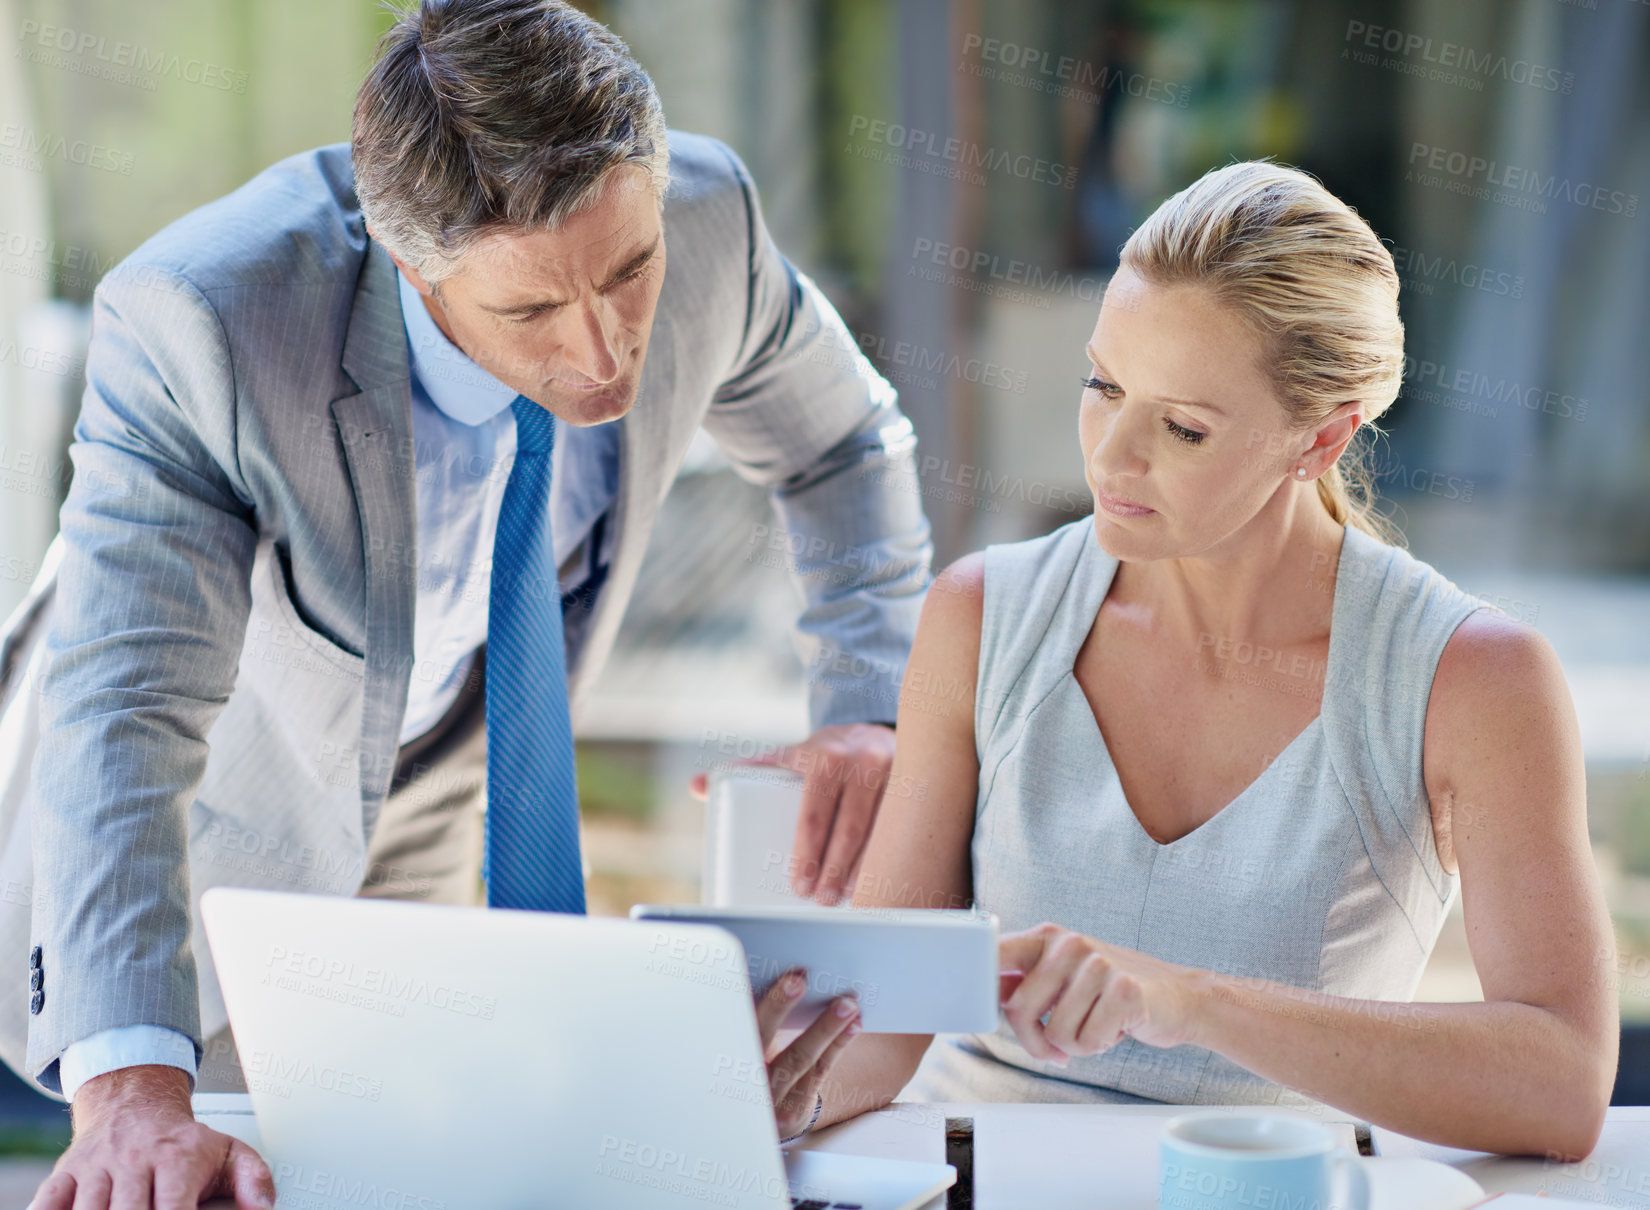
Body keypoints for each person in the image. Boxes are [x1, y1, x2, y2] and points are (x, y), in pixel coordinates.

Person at [0, 2, 931, 1206]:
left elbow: (847, 441)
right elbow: (125, 708)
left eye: (630, 271)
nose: (605, 350)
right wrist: (130, 1091)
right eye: (533, 311)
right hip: (224, 838)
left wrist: (869, 703)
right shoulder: (205, 323)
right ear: (410, 262)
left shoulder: (709, 218)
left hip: (453, 793)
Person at [814, 160, 1618, 1159]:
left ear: (1320, 440)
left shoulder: (1472, 680)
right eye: (1103, 385)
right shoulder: (981, 615)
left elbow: (1562, 1085)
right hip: (979, 1177)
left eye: (1183, 427)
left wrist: (1188, 1001)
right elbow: (880, 1018)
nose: (1110, 459)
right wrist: (724, 1096)